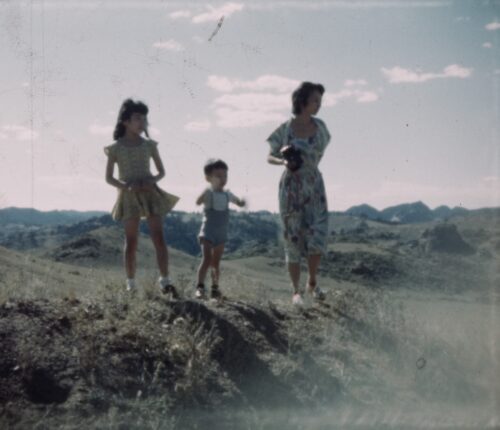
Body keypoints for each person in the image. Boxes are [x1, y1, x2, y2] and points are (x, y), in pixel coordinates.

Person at [104, 98, 179, 297]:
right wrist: (126, 187)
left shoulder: (149, 145)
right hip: (128, 197)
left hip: (150, 194)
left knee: (158, 237)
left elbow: (162, 171)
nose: (142, 122)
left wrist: (151, 181)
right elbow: (109, 178)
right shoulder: (115, 148)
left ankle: (165, 281)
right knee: (131, 241)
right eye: (137, 118)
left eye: (144, 119)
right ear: (125, 121)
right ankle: (130, 284)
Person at [266, 82, 331, 305]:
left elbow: (320, 152)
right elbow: (269, 156)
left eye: (320, 101)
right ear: (302, 100)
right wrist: (284, 161)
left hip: (314, 185)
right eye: (315, 100)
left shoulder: (322, 127)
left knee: (317, 234)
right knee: (292, 237)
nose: (319, 105)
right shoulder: (285, 128)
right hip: (291, 187)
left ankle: (312, 282)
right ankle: (296, 291)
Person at [195, 159, 246, 299]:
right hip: (208, 232)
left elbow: (239, 203)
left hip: (221, 233)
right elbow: (197, 201)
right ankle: (200, 287)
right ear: (208, 178)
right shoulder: (208, 193)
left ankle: (215, 288)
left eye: (225, 176)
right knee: (207, 259)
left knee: (216, 263)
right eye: (218, 176)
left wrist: (242, 202)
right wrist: (205, 192)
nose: (222, 179)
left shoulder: (227, 194)